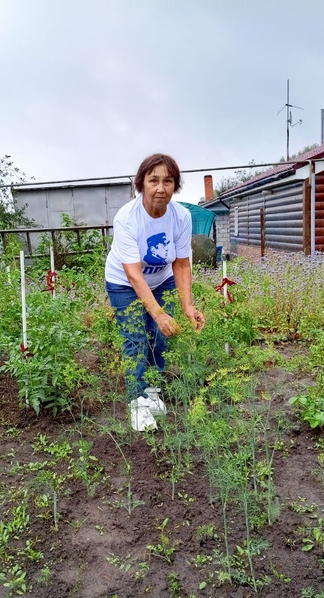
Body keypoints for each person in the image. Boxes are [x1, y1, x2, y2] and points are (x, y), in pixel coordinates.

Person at [105, 153, 206, 431]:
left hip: (162, 281)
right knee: (136, 338)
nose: (161, 188)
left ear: (175, 185)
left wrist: (187, 306)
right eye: (154, 181)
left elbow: (182, 263)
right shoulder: (127, 217)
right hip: (124, 283)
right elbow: (133, 274)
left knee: (162, 335)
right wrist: (158, 313)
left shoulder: (181, 216)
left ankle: (151, 390)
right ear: (142, 184)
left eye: (168, 181)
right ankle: (136, 402)